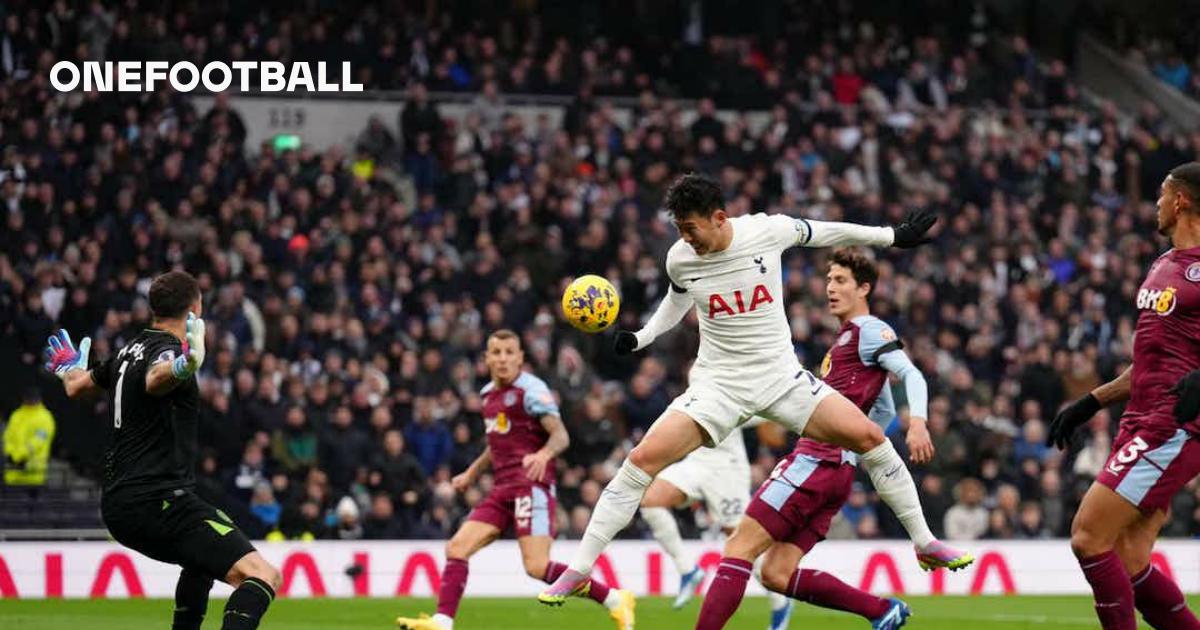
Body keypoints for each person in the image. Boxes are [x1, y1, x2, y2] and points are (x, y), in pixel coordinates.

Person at [540, 173, 969, 604]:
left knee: (870, 438)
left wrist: (891, 236)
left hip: (780, 377)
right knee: (641, 460)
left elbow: (825, 232)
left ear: (719, 218)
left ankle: (924, 542)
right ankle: (579, 570)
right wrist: (641, 338)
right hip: (717, 385)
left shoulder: (767, 230)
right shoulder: (680, 258)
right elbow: (677, 298)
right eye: (678, 230)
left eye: (690, 228)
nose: (684, 239)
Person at [694, 248, 950, 629]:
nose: (831, 287)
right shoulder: (847, 341)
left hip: (815, 462)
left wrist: (918, 422)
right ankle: (882, 611)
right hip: (835, 473)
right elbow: (877, 412)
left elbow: (912, 375)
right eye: (829, 279)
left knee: (737, 549)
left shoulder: (870, 331)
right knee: (776, 574)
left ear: (864, 288)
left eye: (841, 280)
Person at [46, 270, 281, 630]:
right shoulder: (167, 352)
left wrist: (68, 370)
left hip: (121, 505)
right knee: (263, 576)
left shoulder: (127, 351)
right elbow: (157, 378)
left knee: (202, 560)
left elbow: (78, 386)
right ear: (195, 309)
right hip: (158, 500)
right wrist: (184, 365)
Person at [1046, 162, 1200, 630]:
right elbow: (1151, 361)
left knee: (1088, 536)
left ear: (1181, 202)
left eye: (1160, 194)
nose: (1154, 204)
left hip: (1173, 424)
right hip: (1140, 418)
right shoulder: (1161, 266)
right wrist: (1090, 402)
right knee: (1128, 557)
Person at [396, 330, 635, 630]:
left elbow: (560, 435)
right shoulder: (487, 396)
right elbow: (495, 443)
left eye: (510, 352)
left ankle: (613, 598)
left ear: (521, 357)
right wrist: (471, 473)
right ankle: (442, 622)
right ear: (486, 359)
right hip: (502, 489)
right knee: (456, 548)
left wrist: (543, 455)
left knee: (536, 567)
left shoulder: (532, 390)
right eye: (496, 352)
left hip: (531, 488)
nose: (503, 358)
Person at [638, 423, 795, 630]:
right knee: (650, 501)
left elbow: (759, 407)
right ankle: (688, 570)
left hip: (727, 470)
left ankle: (780, 603)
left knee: (742, 543)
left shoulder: (740, 393)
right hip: (697, 461)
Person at [3, 387, 56, 486]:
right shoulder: (17, 415)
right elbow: (8, 437)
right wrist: (10, 453)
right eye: (29, 398)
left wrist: (18, 456)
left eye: (33, 398)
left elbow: (38, 442)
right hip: (12, 474)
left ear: (39, 399)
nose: (31, 401)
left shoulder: (45, 417)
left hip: (33, 475)